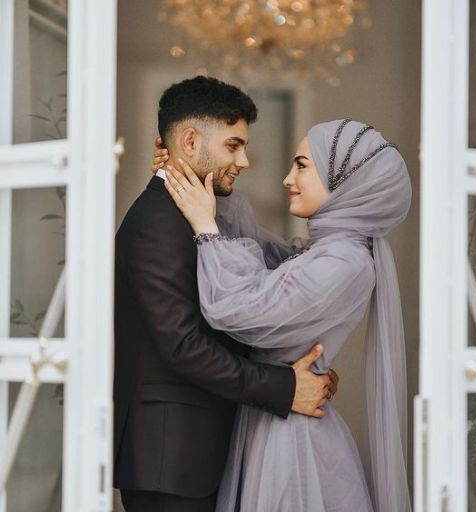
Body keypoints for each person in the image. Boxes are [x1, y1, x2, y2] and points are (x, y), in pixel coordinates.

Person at [161, 118, 413, 512]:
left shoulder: (345, 262)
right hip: (278, 416)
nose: (286, 178)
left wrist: (206, 228)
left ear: (343, 179)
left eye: (301, 165)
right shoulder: (327, 252)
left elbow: (241, 309)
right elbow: (257, 250)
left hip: (292, 442)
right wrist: (184, 173)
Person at [113, 76, 337, 512]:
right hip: (172, 463)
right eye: (234, 146)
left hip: (195, 453)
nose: (246, 161)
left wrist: (299, 367)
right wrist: (285, 388)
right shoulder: (158, 222)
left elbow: (232, 314)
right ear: (191, 141)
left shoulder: (197, 215)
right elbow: (184, 347)